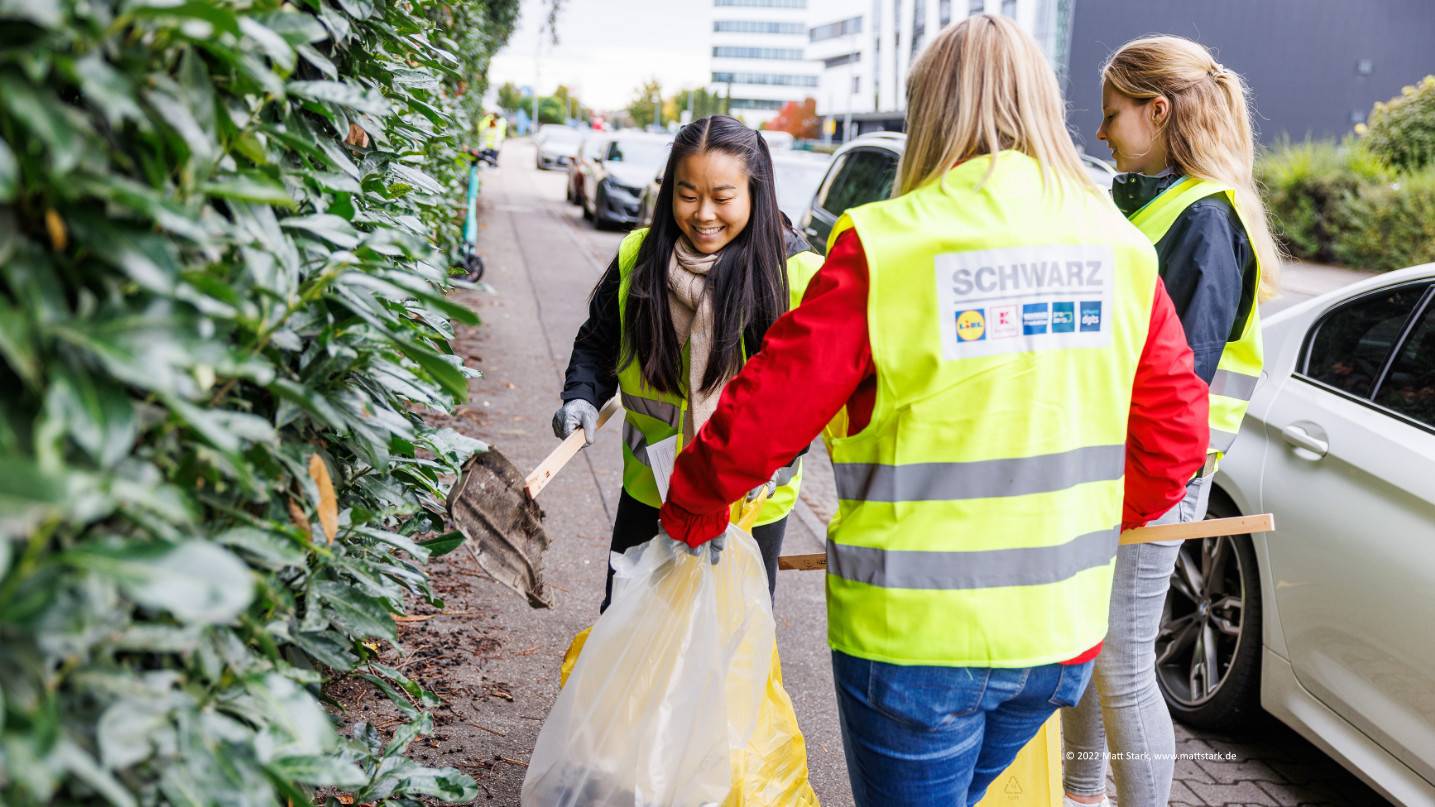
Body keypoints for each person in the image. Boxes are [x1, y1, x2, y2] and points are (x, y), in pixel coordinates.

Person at [656, 16, 1210, 806]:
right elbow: (1175, 436)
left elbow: (765, 412)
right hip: (1057, 636)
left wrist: (690, 501)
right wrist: (1089, 522)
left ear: (930, 111)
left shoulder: (891, 244)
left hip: (913, 643)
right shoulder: (1118, 246)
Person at [1060, 36, 1280, 807]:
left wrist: (1137, 487)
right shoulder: (1167, 204)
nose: (1100, 132)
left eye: (1112, 113)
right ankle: (1078, 793)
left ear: (1157, 111)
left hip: (1157, 478)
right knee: (1095, 649)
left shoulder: (1202, 221)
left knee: (1121, 662)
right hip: (1132, 470)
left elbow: (1171, 387)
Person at [553, 115, 823, 611]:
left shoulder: (797, 276)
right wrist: (580, 396)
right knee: (629, 638)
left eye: (723, 197)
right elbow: (597, 344)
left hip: (748, 509)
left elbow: (806, 401)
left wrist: (749, 477)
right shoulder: (638, 256)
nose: (703, 214)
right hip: (649, 494)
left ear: (755, 193)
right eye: (688, 194)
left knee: (724, 655)